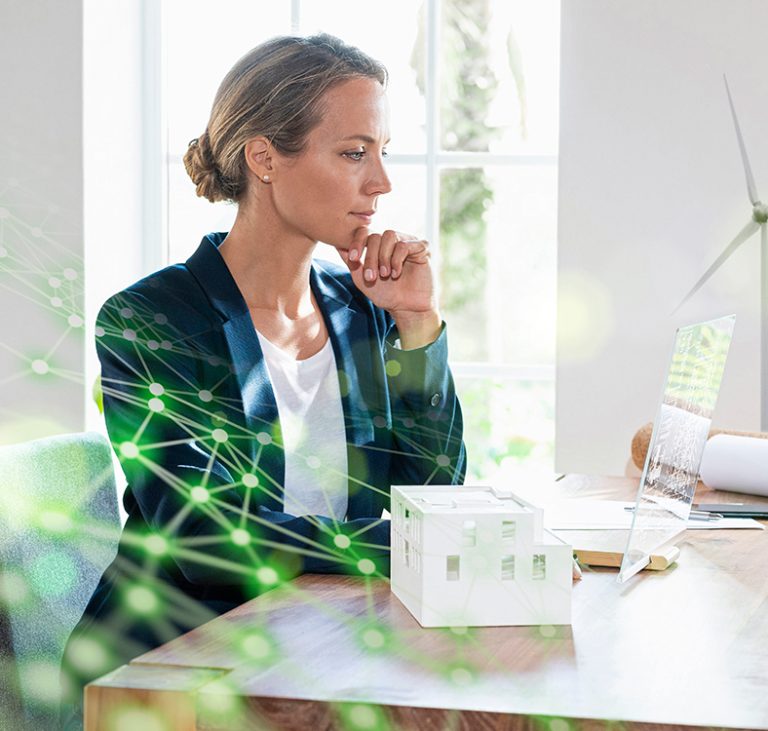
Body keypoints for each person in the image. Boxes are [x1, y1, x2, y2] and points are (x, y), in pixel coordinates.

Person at [60, 33, 465, 728]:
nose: (382, 183)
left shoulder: (363, 309)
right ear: (263, 158)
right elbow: (211, 536)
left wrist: (419, 324)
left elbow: (432, 495)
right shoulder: (149, 320)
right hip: (170, 671)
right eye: (353, 152)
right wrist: (405, 546)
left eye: (383, 152)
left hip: (323, 646)